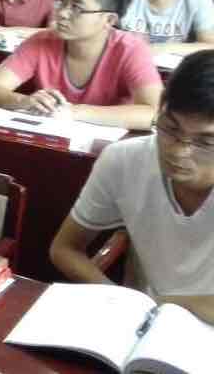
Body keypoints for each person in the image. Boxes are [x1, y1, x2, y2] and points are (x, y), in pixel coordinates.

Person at [47, 50, 214, 322]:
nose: (179, 152)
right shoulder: (124, 159)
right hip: (147, 321)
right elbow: (65, 248)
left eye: (206, 142)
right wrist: (121, 301)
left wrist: (160, 305)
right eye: (170, 129)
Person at [0, 0, 162, 130]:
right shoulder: (41, 41)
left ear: (109, 20)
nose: (62, 13)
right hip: (49, 140)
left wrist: (74, 112)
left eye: (77, 8)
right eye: (62, 2)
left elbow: (154, 112)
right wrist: (24, 101)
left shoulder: (131, 50)